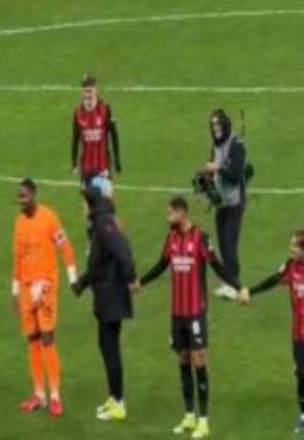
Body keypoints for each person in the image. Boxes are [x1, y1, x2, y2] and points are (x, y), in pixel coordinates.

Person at [139, 196, 240, 439]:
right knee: (183, 359)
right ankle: (189, 415)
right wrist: (140, 282)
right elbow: (161, 264)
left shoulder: (201, 238)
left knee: (199, 359)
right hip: (177, 313)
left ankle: (203, 420)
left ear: (182, 213)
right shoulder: (171, 238)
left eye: (170, 213)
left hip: (195, 311)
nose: (168, 217)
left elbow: (217, 266)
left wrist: (238, 287)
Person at [11, 178, 77, 418]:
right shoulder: (19, 223)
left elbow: (65, 246)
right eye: (19, 196)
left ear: (34, 195)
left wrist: (72, 278)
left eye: (25, 196)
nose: (21, 200)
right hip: (26, 288)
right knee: (32, 339)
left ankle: (55, 395)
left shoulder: (49, 217)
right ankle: (39, 394)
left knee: (47, 338)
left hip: (46, 286)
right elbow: (17, 258)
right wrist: (15, 291)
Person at [73, 184, 138, 421]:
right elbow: (98, 263)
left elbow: (123, 250)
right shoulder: (101, 221)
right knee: (105, 345)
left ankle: (119, 403)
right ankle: (114, 396)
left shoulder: (103, 222)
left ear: (89, 202)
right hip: (105, 294)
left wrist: (131, 278)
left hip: (112, 295)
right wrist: (82, 283)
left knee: (110, 348)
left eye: (83, 202)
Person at [239, 230, 304, 434]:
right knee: (301, 374)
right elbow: (274, 280)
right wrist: (250, 291)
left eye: (294, 246)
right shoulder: (291, 266)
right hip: (299, 333)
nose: (290, 248)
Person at [203, 109, 246, 300]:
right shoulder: (215, 144)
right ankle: (228, 281)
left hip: (235, 201)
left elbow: (235, 175)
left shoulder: (237, 145)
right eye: (213, 125)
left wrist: (217, 168)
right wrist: (207, 176)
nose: (215, 128)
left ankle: (234, 283)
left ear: (225, 125)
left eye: (218, 124)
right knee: (222, 242)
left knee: (230, 242)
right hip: (221, 201)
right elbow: (212, 165)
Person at [71, 74, 121, 187]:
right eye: (85, 91)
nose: (88, 94)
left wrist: (117, 161)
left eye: (90, 90)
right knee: (88, 198)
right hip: (86, 168)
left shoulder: (105, 109)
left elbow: (114, 136)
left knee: (105, 198)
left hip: (103, 168)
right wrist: (74, 163)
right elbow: (75, 139)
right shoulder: (78, 112)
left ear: (95, 90)